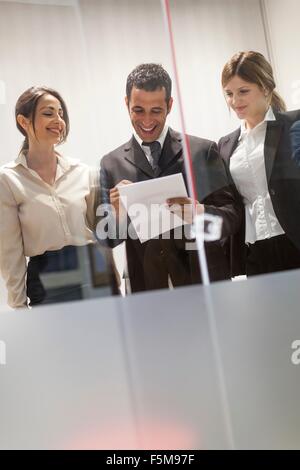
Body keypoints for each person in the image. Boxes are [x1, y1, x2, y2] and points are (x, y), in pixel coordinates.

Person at [99, 63, 242, 293]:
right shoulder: (111, 163)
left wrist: (200, 213)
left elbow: (232, 218)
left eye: (156, 110)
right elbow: (107, 239)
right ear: (126, 104)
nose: (146, 120)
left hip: (205, 282)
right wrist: (117, 215)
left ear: (170, 105)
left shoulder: (202, 151)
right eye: (138, 110)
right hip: (148, 289)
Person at [0, 86, 99, 308]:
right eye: (48, 113)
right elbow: (10, 253)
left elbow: (102, 232)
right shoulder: (8, 179)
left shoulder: (83, 172)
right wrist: (18, 306)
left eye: (61, 113)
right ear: (24, 122)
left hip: (93, 272)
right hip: (47, 282)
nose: (58, 120)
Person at [218, 51, 300, 277]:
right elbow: (231, 205)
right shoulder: (225, 145)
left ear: (265, 87)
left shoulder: (295, 124)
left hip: (294, 242)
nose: (235, 101)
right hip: (255, 252)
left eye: (243, 91)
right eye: (229, 93)